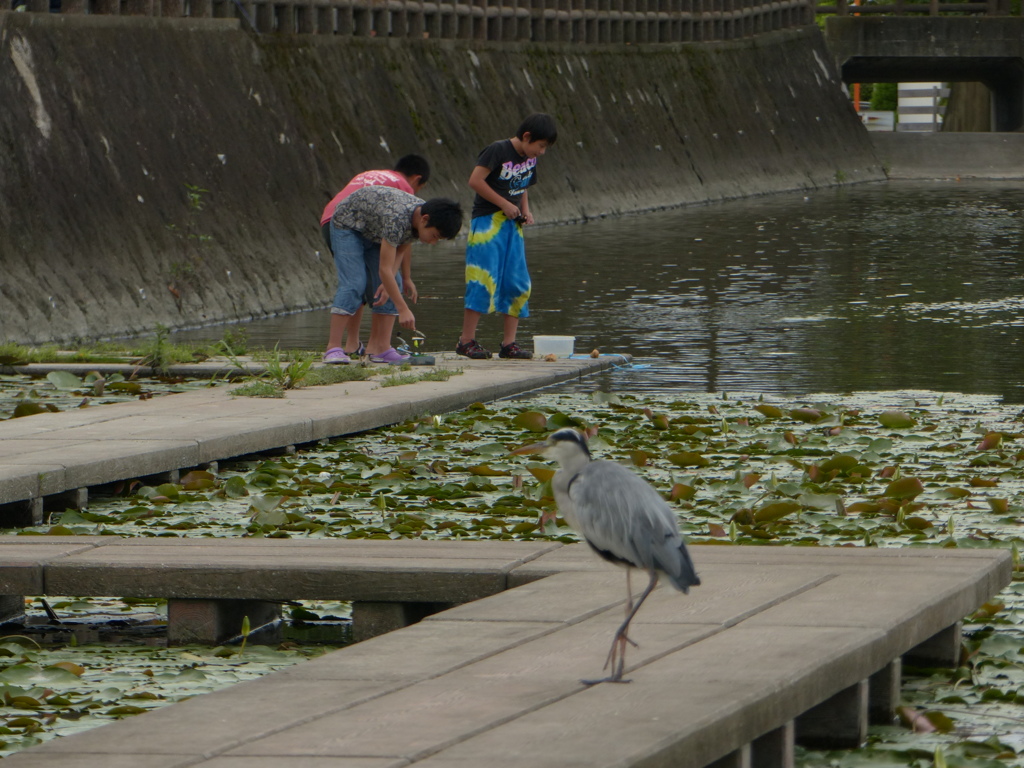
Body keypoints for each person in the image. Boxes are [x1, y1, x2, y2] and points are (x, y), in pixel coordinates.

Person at [456, 113, 557, 360]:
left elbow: (522, 186)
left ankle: (508, 344)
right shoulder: (497, 150)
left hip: (513, 224)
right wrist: (503, 204)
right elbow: (475, 181)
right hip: (487, 224)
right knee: (482, 279)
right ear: (526, 137)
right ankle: (466, 341)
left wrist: (525, 209)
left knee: (517, 282)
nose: (542, 152)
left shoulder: (529, 158)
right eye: (540, 146)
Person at [328, 185, 462, 364]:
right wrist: (403, 309)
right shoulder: (397, 218)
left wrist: (392, 279)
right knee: (354, 283)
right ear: (425, 220)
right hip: (347, 227)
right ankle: (333, 347)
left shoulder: (420, 216)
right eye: (435, 236)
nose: (433, 242)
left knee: (394, 283)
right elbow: (384, 269)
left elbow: (401, 250)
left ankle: (380, 348)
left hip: (373, 232)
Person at [321, 155, 431, 363]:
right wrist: (406, 277)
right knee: (356, 281)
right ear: (416, 180)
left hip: (332, 218)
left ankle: (360, 345)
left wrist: (402, 277)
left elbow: (403, 240)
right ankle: (340, 346)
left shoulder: (374, 174)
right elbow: (401, 234)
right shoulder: (405, 193)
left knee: (369, 281)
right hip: (344, 224)